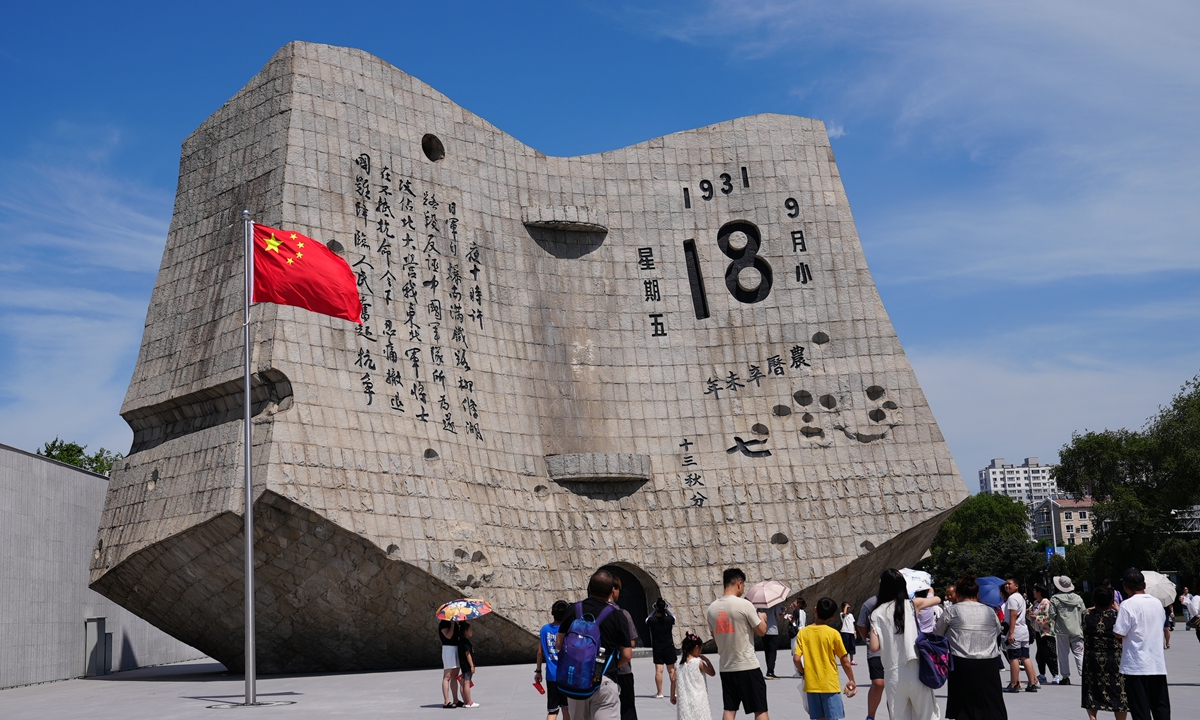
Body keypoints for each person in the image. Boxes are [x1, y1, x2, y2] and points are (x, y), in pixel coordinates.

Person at [557, 569, 634, 720]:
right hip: (604, 679)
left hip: (576, 681)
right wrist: (608, 665)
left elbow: (559, 643)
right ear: (612, 591)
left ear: (589, 588)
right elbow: (627, 654)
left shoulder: (574, 610)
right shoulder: (617, 615)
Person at [869, 568, 942, 720]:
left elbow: (874, 647)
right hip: (916, 668)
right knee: (926, 714)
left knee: (899, 715)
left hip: (892, 674)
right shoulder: (912, 604)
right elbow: (937, 599)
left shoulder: (876, 613)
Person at [934, 575, 1006, 720]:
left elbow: (937, 633)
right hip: (989, 662)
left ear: (958, 594)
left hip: (961, 662)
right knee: (991, 703)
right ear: (977, 594)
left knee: (964, 705)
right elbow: (997, 631)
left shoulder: (952, 611)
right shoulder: (990, 611)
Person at [706, 567, 771, 720]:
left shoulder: (712, 609)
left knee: (729, 709)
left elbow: (715, 637)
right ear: (739, 583)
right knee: (760, 709)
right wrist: (762, 618)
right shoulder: (744, 605)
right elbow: (762, 631)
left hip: (726, 666)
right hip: (747, 665)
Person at [1113, 568, 1170, 720]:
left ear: (1125, 587)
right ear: (1144, 584)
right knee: (1161, 706)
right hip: (1157, 664)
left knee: (1140, 710)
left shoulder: (1127, 605)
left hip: (1135, 665)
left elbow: (1119, 632)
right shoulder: (1157, 603)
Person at [795, 597, 857, 720]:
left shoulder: (803, 633)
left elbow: (796, 659)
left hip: (812, 685)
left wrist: (803, 672)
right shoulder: (833, 634)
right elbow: (845, 661)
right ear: (832, 616)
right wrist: (852, 680)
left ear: (815, 610)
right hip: (829, 684)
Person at [1082, 585, 1128, 720]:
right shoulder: (1117, 617)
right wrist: (1118, 608)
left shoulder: (1086, 615)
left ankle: (1092, 717)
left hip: (1092, 658)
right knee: (1118, 692)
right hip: (1114, 658)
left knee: (1091, 690)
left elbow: (1087, 610)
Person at [856, 572, 890, 720]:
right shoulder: (871, 603)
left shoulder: (902, 603)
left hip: (895, 651)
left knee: (893, 687)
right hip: (876, 651)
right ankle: (871, 716)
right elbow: (862, 626)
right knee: (878, 683)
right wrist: (868, 640)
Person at [1001, 577, 1039, 692]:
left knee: (1013, 658)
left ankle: (1014, 684)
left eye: (1009, 584)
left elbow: (1013, 615)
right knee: (1025, 657)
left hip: (1015, 631)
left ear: (1016, 586)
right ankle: (1032, 683)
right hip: (1023, 630)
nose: (1007, 586)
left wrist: (1011, 633)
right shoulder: (1021, 598)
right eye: (1006, 584)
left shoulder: (1012, 598)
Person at [609, 576, 640, 720]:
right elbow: (631, 643)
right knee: (627, 709)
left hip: (599, 670)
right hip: (622, 669)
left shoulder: (590, 613)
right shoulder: (623, 614)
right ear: (613, 590)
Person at [537, 600, 572, 720]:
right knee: (567, 709)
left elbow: (540, 652)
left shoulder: (544, 629)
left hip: (551, 675)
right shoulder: (569, 630)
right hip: (567, 676)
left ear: (552, 612)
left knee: (553, 710)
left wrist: (538, 671)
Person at [1051, 575, 1087, 686]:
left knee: (1063, 654)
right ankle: (1084, 676)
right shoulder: (1078, 598)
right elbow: (1084, 612)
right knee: (1079, 654)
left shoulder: (1055, 598)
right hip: (1076, 629)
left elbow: (1052, 615)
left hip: (1062, 630)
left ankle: (1065, 677)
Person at [673, 631, 715, 720]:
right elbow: (712, 673)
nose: (700, 651)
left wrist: (673, 694)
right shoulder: (698, 663)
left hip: (684, 700)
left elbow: (673, 680)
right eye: (700, 649)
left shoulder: (678, 663)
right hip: (698, 699)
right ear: (696, 648)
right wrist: (707, 660)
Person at [645, 597, 679, 700]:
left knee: (659, 670)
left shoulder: (652, 621)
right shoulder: (669, 620)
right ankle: (675, 691)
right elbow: (673, 617)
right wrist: (666, 609)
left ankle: (660, 693)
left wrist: (655, 610)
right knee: (672, 670)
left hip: (658, 647)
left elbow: (646, 619)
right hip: (669, 646)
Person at [1031, 584, 1059, 685]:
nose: (1033, 592)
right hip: (1039, 632)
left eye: (1035, 591)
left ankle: (1055, 675)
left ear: (1040, 592)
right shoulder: (1035, 603)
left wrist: (1036, 618)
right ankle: (1042, 675)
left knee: (1050, 654)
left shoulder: (1046, 603)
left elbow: (1049, 617)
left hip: (1047, 632)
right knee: (1040, 655)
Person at [439, 618, 463, 708]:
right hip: (448, 649)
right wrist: (452, 625)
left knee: (455, 676)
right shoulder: (443, 624)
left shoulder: (455, 623)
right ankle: (446, 701)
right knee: (447, 676)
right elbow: (448, 636)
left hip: (456, 648)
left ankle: (456, 700)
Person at [458, 622, 479, 708]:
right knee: (467, 682)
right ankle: (469, 702)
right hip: (466, 665)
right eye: (470, 630)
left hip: (463, 664)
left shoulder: (461, 641)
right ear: (466, 631)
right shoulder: (465, 642)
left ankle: (466, 701)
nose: (472, 631)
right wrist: (472, 665)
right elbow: (468, 654)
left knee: (463, 682)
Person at [763, 602, 784, 679]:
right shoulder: (775, 603)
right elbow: (778, 616)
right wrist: (782, 612)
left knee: (767, 651)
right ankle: (770, 672)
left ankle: (768, 669)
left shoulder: (761, 605)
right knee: (772, 652)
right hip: (773, 630)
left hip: (764, 629)